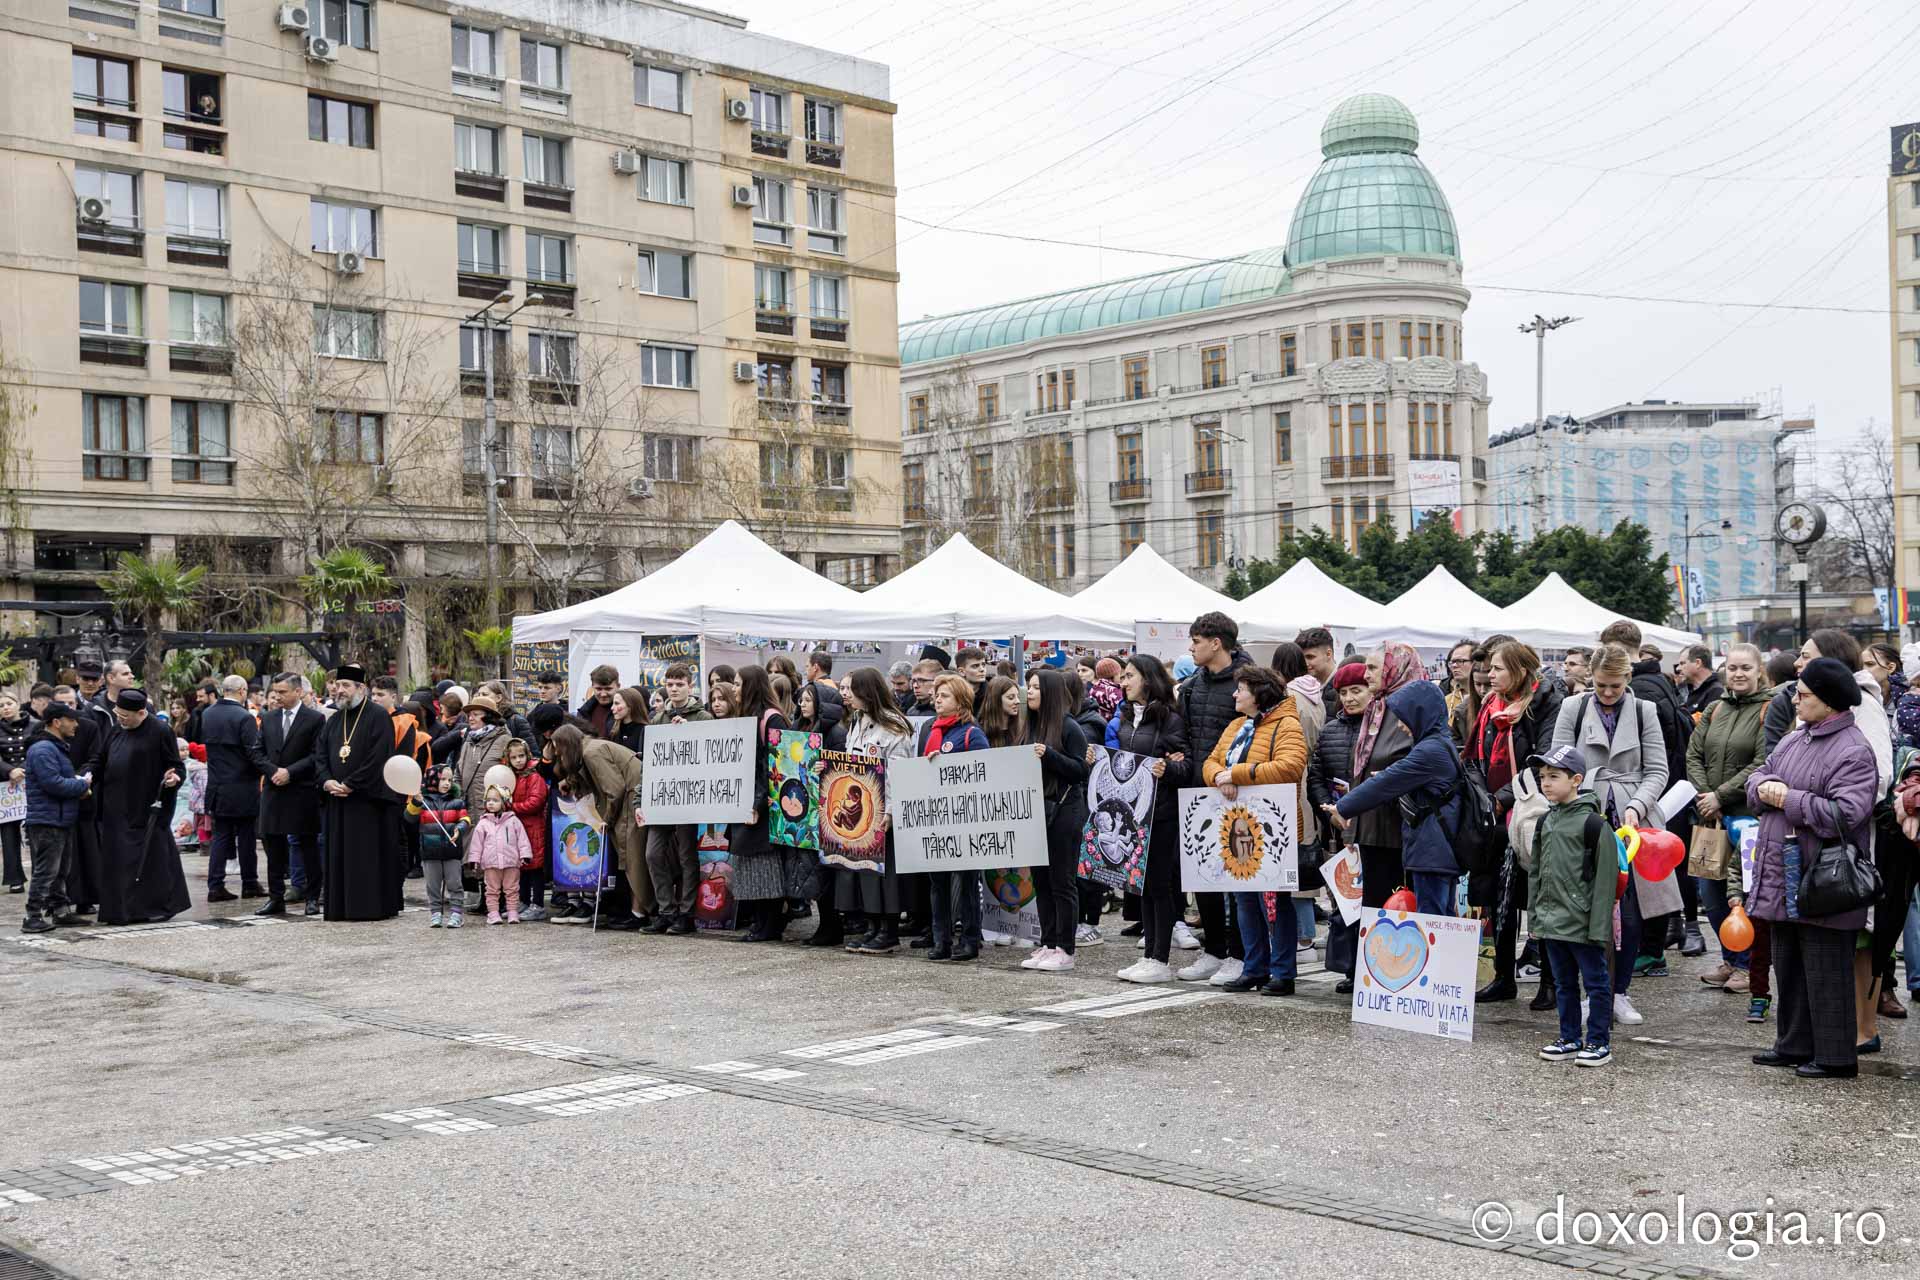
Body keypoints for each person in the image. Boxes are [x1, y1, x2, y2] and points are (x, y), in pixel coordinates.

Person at [1747, 657, 1880, 1079]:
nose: (1795, 699)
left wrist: (1787, 799)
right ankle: (1793, 1045)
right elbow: (1759, 777)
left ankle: (1836, 1056)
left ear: (1830, 702)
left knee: (1826, 970)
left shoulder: (1854, 749)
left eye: (1804, 694)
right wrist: (1762, 789)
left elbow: (1847, 813)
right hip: (1784, 872)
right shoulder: (1795, 739)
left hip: (1824, 878)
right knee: (1788, 965)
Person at [1550, 643, 1669, 1027]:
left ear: (1627, 679)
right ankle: (1594, 991)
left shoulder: (1645, 710)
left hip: (1633, 822)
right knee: (1587, 910)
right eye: (1601, 685)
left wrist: (1636, 805)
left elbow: (1658, 770)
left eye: (1615, 686)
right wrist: (1581, 804)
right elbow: (1558, 764)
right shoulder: (1573, 707)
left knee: (1631, 914)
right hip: (1585, 815)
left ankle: (1620, 991)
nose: (1607, 693)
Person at [1201, 667, 1308, 994]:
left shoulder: (1287, 725)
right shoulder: (1237, 726)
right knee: (1244, 900)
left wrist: (1237, 774)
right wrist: (1221, 776)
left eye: (1241, 689)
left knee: (1273, 902)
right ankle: (1255, 966)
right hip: (1238, 827)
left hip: (1274, 829)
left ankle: (1282, 971)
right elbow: (1210, 763)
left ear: (1259, 693)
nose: (1235, 695)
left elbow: (1291, 766)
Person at [1469, 641, 1565, 1006]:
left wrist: (1502, 797)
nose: (1489, 675)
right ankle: (1503, 978)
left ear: (1521, 672)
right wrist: (1484, 797)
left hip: (1535, 813)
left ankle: (1551, 983)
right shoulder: (1491, 707)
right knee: (1502, 896)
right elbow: (1474, 756)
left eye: (1497, 668)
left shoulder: (1546, 702)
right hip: (1496, 817)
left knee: (1543, 898)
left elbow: (1543, 759)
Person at [1093, 654, 1191, 984]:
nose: (1123, 682)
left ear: (1147, 679)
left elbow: (1185, 765)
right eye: (1122, 676)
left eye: (1129, 675)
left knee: (1159, 885)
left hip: (1161, 813)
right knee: (1142, 884)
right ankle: (1148, 953)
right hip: (1132, 815)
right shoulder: (1123, 717)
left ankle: (1160, 958)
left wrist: (1170, 768)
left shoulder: (1170, 719)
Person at [1331, 676, 1460, 918]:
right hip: (1435, 849)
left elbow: (1386, 782)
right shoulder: (1438, 743)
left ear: (1420, 713)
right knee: (1439, 918)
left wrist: (1343, 807)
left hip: (1432, 851)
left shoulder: (1430, 750)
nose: (1400, 725)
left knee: (1431, 921)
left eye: (1405, 717)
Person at [1527, 744, 1621, 1069]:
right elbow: (1536, 874)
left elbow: (1605, 882)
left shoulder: (1594, 825)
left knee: (1595, 983)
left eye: (1554, 776)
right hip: (1553, 922)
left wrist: (1598, 928)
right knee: (1564, 983)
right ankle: (1569, 1037)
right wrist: (1535, 918)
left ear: (1576, 779)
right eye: (1542, 777)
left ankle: (1598, 1041)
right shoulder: (1545, 822)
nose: (1546, 783)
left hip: (1582, 923)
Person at [1336, 644, 1427, 977]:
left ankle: (1397, 976)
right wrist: (1350, 825)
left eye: (1373, 668)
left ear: (1394, 669)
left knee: (1398, 906)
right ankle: (1373, 976)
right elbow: (1358, 772)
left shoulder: (1410, 709)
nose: (1367, 674)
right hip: (1370, 824)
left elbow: (1418, 762)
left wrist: (1390, 777)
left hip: (1399, 827)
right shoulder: (1377, 708)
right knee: (1373, 905)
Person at [1686, 643, 1770, 999]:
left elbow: (1763, 762)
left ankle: (1747, 965)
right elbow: (1693, 754)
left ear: (1758, 671)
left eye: (1745, 668)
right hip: (1710, 817)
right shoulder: (1715, 708)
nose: (1738, 673)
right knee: (1712, 892)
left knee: (1744, 893)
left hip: (1746, 817)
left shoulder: (1768, 710)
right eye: (1733, 667)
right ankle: (1728, 957)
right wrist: (1707, 797)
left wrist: (1722, 796)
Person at [1176, 611, 1251, 982]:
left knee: (1238, 875)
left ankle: (1239, 953)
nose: (1191, 648)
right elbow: (1186, 735)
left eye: (1196, 641)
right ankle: (1214, 950)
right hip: (1198, 789)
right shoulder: (1192, 686)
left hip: (1239, 792)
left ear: (1216, 642)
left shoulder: (1249, 681)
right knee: (1202, 872)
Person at [727, 666, 813, 943]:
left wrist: (758, 803)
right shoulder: (746, 717)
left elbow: (773, 765)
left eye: (738, 684)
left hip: (765, 804)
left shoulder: (771, 720)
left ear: (751, 686)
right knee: (750, 865)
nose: (734, 689)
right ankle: (760, 922)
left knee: (765, 865)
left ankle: (770, 924)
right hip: (747, 798)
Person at [92, 689, 191, 925]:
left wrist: (174, 777)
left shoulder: (160, 731)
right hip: (116, 806)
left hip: (145, 807)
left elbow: (175, 766)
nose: (120, 719)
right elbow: (100, 759)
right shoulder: (117, 729)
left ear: (141, 713)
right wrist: (87, 776)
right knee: (118, 861)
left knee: (150, 859)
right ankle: (119, 911)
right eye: (117, 714)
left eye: (125, 715)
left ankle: (151, 909)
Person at [315, 664, 403, 922]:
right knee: (339, 856)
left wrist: (352, 783)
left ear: (360, 689)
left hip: (367, 802)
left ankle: (368, 907)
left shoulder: (377, 716)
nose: (339, 690)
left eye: (345, 686)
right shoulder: (334, 719)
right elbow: (320, 755)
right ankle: (340, 907)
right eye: (337, 685)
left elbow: (379, 757)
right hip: (337, 800)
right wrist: (327, 781)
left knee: (365, 857)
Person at [838, 666, 915, 954]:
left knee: (887, 874)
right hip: (862, 809)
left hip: (883, 811)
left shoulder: (894, 726)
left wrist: (892, 812)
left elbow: (897, 772)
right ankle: (872, 926)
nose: (847, 695)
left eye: (852, 689)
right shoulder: (856, 721)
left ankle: (888, 930)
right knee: (866, 872)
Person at [914, 674, 990, 961]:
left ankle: (969, 939)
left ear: (961, 701)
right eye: (936, 694)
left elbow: (984, 770)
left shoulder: (971, 733)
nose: (937, 699)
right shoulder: (931, 731)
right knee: (938, 884)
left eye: (944, 695)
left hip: (965, 820)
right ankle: (940, 940)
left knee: (968, 883)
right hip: (937, 819)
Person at [1019, 668, 1090, 973]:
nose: (1029, 692)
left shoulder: (1069, 727)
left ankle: (1066, 947)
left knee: (1062, 882)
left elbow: (1079, 770)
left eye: (1035, 687)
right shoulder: (1031, 725)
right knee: (1042, 881)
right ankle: (1048, 943)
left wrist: (1049, 755)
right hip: (1037, 811)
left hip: (1063, 811)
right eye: (1028, 687)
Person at [1311, 662, 1369, 982]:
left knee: (1370, 900)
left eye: (1356, 691)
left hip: (1371, 826)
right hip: (1338, 827)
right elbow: (1316, 774)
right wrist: (1329, 810)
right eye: (1343, 692)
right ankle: (1348, 969)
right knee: (1344, 901)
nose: (1349, 698)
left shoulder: (1380, 728)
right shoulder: (1331, 729)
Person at [642, 664, 708, 936]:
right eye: (670, 684)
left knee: (686, 856)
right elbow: (649, 761)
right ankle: (666, 910)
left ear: (690, 686)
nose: (674, 689)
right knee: (653, 853)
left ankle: (686, 913)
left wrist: (688, 734)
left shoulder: (702, 717)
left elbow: (711, 754)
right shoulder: (658, 718)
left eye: (680, 684)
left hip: (689, 796)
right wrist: (640, 801)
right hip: (662, 796)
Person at [258, 672, 326, 917]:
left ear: (298, 692)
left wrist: (290, 772)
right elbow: (257, 751)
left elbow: (317, 754)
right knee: (273, 846)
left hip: (301, 790)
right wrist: (274, 771)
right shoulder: (267, 718)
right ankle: (275, 898)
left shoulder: (315, 719)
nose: (277, 696)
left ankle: (312, 897)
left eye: (283, 692)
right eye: (275, 691)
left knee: (307, 846)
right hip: (273, 790)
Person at [1272, 642, 1324, 955]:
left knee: (1292, 865)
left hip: (1292, 778)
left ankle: (1303, 937)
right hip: (1310, 777)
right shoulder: (1314, 695)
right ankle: (1306, 935)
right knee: (1303, 858)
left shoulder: (1288, 698)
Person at [20, 702, 90, 933]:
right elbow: (53, 783)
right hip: (47, 820)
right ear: (57, 722)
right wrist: (81, 785)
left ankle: (61, 911)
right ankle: (32, 916)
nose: (76, 724)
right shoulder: (43, 749)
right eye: (72, 720)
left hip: (59, 818)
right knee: (46, 870)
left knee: (61, 870)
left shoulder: (54, 747)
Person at [200, 674, 272, 903]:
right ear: (242, 691)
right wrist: (272, 771)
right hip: (242, 786)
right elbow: (253, 752)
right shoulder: (244, 717)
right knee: (247, 838)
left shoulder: (208, 714)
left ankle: (215, 885)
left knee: (220, 837)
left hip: (217, 785)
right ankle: (249, 882)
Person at [793, 679, 850, 946]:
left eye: (807, 699)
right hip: (804, 809)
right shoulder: (799, 728)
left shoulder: (835, 733)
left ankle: (831, 926)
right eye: (801, 699)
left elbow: (842, 771)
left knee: (824, 871)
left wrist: (824, 768)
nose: (802, 704)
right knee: (811, 870)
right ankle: (825, 924)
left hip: (825, 810)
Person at [466, 784, 530, 925]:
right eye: (488, 800)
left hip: (511, 862)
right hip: (491, 863)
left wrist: (525, 855)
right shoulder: (483, 823)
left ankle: (513, 912)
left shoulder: (513, 821)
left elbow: (522, 840)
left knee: (512, 889)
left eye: (495, 800)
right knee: (492, 890)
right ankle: (493, 913)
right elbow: (477, 844)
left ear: (505, 802)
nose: (491, 803)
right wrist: (474, 860)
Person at [413, 765, 467, 927]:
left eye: (449, 780)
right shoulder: (423, 802)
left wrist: (460, 828)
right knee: (433, 885)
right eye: (442, 779)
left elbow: (465, 819)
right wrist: (415, 803)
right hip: (430, 851)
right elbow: (408, 818)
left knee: (454, 883)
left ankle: (457, 913)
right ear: (432, 780)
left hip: (452, 850)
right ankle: (435, 913)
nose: (447, 783)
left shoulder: (456, 801)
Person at [500, 737, 548, 921]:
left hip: (533, 827)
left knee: (535, 867)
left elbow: (536, 802)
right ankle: (524, 901)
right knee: (522, 867)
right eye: (514, 757)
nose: (518, 760)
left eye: (521, 756)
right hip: (517, 828)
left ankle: (538, 904)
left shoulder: (534, 776)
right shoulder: (511, 777)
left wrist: (513, 806)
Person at [0, 691, 37, 892]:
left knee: (35, 829)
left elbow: (38, 748)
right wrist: (9, 770)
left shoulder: (35, 725)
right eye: (1, 705)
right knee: (8, 833)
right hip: (6, 787)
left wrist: (21, 768)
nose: (5, 707)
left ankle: (39, 874)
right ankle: (14, 878)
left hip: (31, 781)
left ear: (17, 704)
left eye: (9, 703)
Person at [1294, 626, 1341, 722]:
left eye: (1310, 657)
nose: (1305, 663)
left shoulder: (1344, 687)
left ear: (1328, 654)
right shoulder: (1301, 686)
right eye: (1302, 658)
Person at [576, 665, 620, 740]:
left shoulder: (626, 711)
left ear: (618, 686)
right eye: (599, 689)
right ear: (592, 687)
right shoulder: (583, 712)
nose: (603, 694)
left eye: (608, 689)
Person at [1679, 645, 1723, 718]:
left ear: (1697, 663)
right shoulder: (1688, 689)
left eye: (1682, 663)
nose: (1678, 668)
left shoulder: (1716, 691)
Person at [609, 687, 647, 754]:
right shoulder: (614, 731)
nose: (612, 708)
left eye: (617, 703)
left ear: (630, 705)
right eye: (613, 703)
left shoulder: (645, 731)